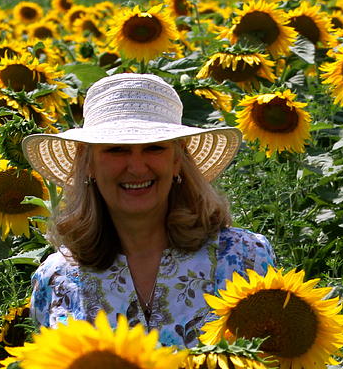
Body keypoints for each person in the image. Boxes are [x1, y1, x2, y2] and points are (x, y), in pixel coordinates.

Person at [21, 73, 275, 347]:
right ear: (88, 164)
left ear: (177, 160)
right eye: (116, 150)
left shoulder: (242, 258)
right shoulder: (57, 278)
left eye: (154, 148)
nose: (137, 167)